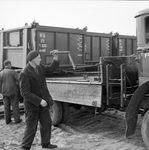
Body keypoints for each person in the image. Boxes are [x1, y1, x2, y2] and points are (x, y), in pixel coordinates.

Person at [19, 50, 59, 150]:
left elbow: (52, 68)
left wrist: (56, 57)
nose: (40, 59)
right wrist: (40, 101)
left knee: (46, 124)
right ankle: (25, 147)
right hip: (32, 105)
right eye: (39, 57)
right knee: (31, 128)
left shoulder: (40, 68)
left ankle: (45, 143)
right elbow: (25, 93)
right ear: (32, 60)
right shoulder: (24, 73)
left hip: (44, 104)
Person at [0, 60, 21, 124]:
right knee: (14, 105)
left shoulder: (1, 73)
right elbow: (19, 79)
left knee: (6, 106)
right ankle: (17, 120)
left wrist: (1, 92)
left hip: (4, 91)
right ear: (9, 64)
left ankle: (7, 120)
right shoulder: (12, 72)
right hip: (13, 91)